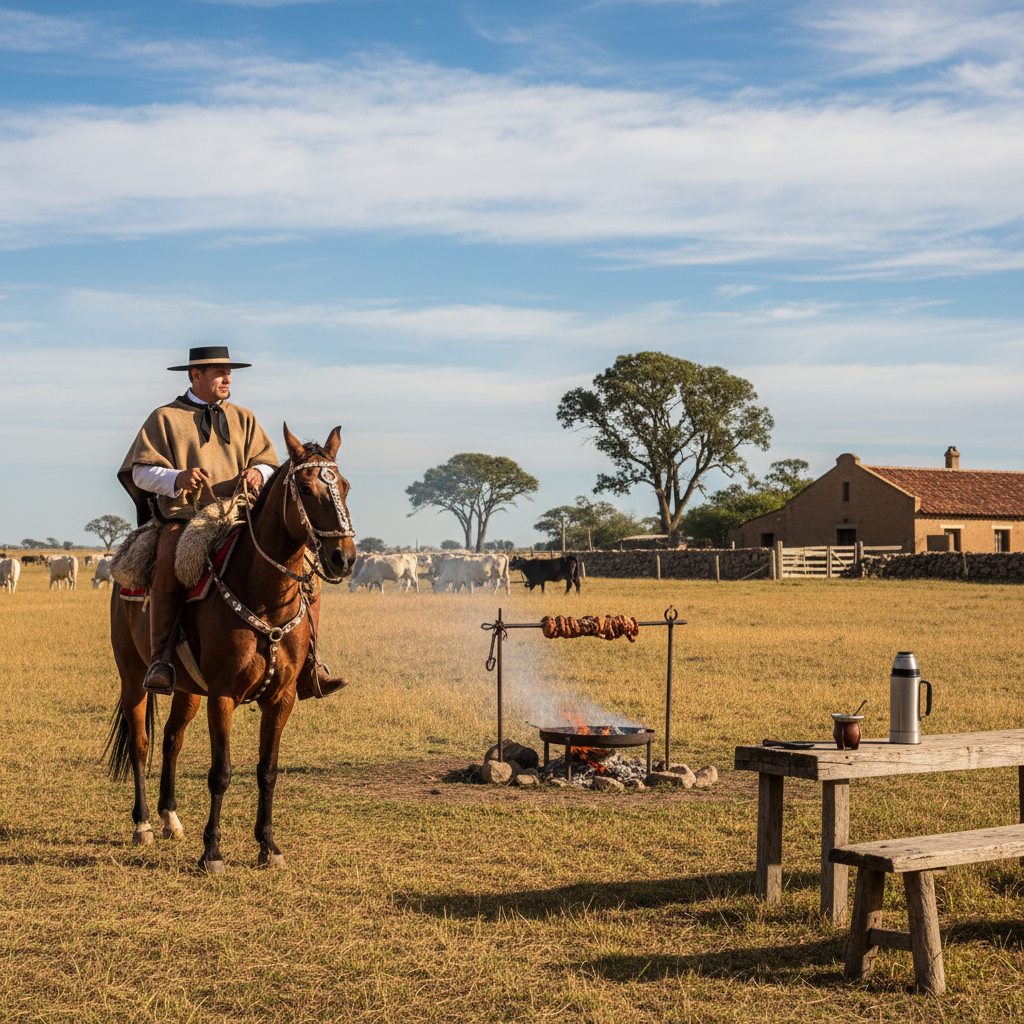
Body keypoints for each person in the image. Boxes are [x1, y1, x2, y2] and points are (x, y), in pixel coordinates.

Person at [118, 345, 347, 700]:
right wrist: (177, 478)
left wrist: (257, 471)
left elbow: (270, 463)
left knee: (306, 571)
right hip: (186, 515)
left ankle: (310, 665)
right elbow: (142, 471)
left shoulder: (244, 417)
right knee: (166, 561)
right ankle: (161, 659)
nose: (227, 379)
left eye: (229, 373)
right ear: (196, 375)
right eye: (218, 373)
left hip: (242, 515)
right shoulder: (165, 417)